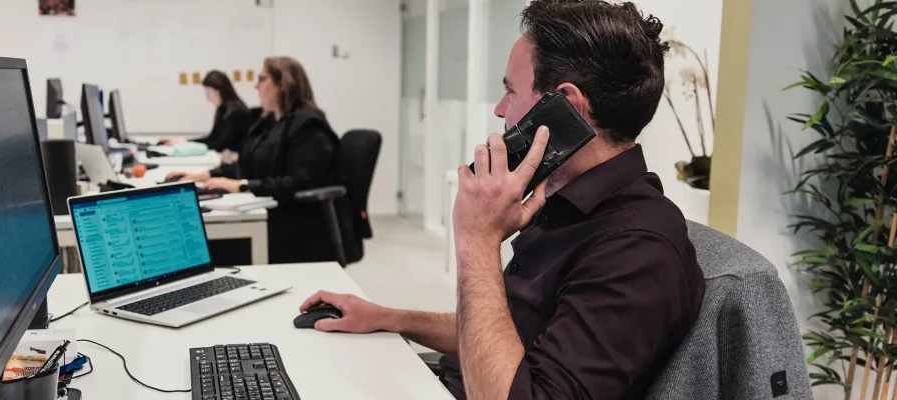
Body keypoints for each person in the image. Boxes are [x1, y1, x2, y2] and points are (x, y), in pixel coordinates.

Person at [298, 1, 705, 399]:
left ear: (567, 106)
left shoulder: (636, 247)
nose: (499, 110)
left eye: (510, 91)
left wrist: (477, 239)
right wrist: (390, 318)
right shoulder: (560, 203)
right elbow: (503, 331)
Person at [166, 56, 348, 264]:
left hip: (295, 223)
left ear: (282, 84)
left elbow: (298, 182)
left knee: (210, 246)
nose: (255, 86)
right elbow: (250, 164)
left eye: (262, 79)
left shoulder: (308, 127)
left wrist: (242, 185)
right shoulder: (271, 122)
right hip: (271, 209)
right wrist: (204, 175)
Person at [161, 70, 251, 153]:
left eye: (208, 93)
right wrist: (185, 142)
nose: (208, 98)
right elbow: (212, 138)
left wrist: (185, 143)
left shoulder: (237, 113)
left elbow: (221, 145)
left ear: (219, 91)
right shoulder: (224, 110)